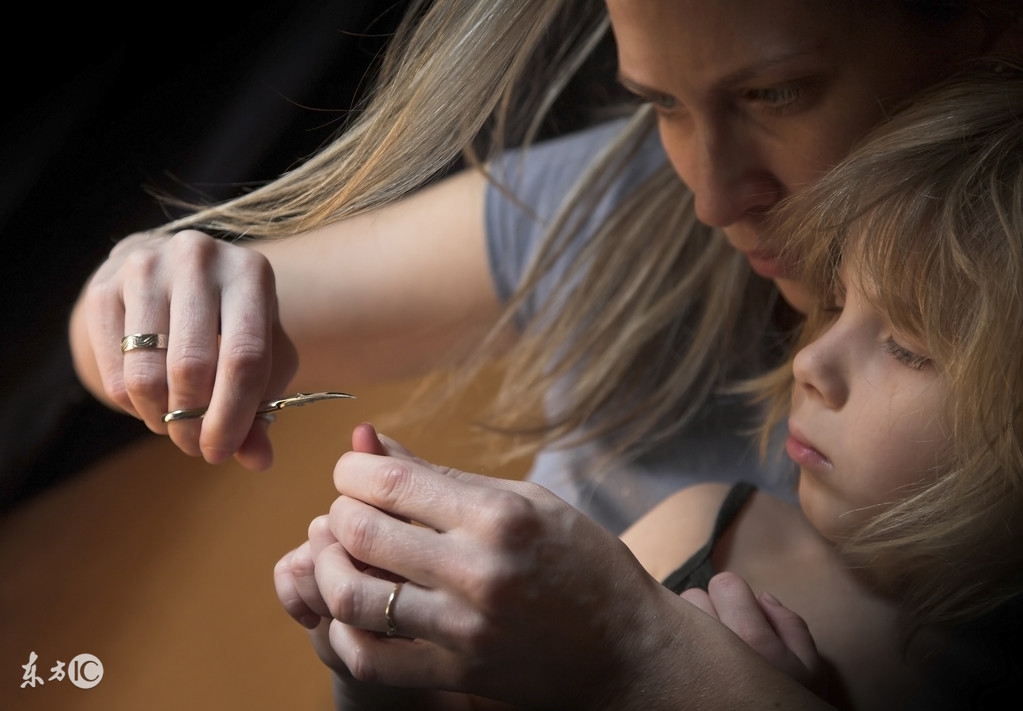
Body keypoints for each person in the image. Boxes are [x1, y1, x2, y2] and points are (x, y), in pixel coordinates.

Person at [67, 0, 1020, 702]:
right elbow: (112, 341)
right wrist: (155, 292)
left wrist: (641, 649)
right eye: (660, 103)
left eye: (776, 93)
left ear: (988, 25)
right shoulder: (624, 204)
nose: (710, 194)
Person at [276, 72, 1023, 709]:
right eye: (831, 302)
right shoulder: (703, 535)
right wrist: (381, 667)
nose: (811, 362)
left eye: (906, 345)